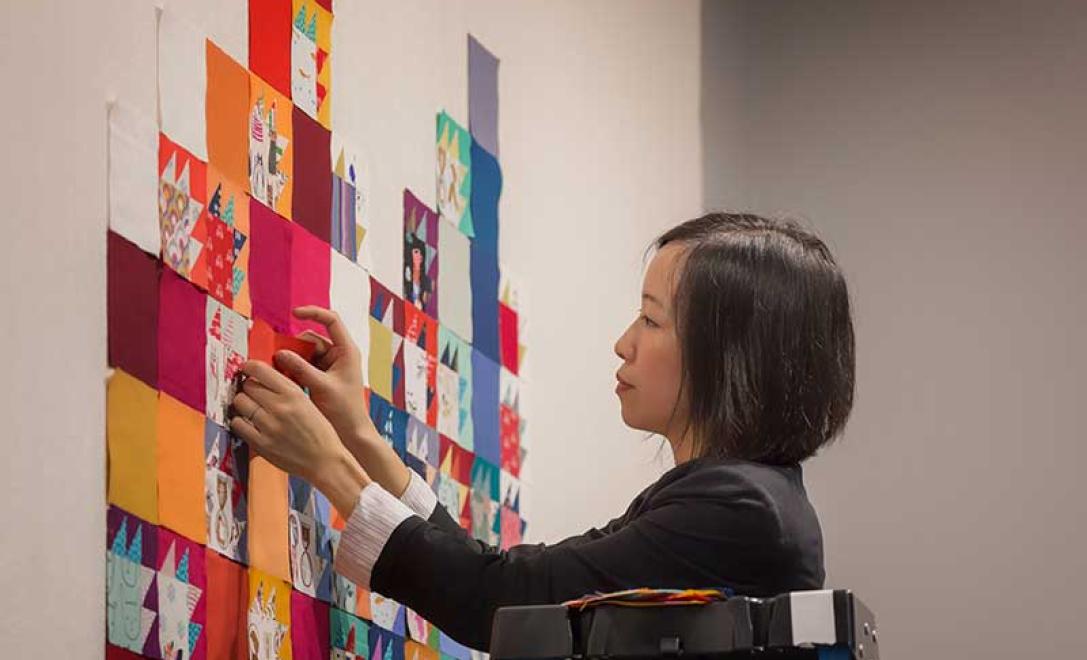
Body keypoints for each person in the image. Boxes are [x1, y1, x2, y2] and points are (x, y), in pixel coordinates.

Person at [228, 212, 856, 651]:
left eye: (651, 320)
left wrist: (327, 466)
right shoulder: (743, 501)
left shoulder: (739, 509)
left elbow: (505, 600)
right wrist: (359, 438)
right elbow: (513, 582)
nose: (623, 344)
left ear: (728, 356)